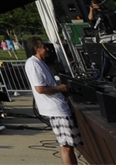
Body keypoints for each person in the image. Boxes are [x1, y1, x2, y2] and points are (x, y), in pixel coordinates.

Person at [24, 37, 77, 165]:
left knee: (69, 145)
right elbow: (40, 89)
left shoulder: (40, 62)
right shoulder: (33, 64)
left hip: (59, 107)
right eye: (44, 47)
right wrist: (61, 88)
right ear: (37, 49)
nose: (47, 49)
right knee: (66, 146)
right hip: (56, 109)